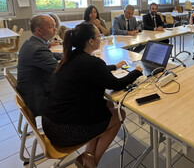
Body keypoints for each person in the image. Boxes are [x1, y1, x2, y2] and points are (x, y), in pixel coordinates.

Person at [42, 23, 143, 168]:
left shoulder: (71, 56)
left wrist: (114, 67)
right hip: (65, 131)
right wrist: (137, 72)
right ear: (90, 41)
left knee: (108, 104)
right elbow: (116, 84)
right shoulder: (93, 63)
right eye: (98, 36)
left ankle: (88, 154)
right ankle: (91, 163)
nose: (100, 38)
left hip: (51, 122)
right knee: (119, 113)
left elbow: (91, 70)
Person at [17, 15, 63, 116]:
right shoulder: (37, 49)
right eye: (51, 27)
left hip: (33, 90)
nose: (55, 29)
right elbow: (60, 70)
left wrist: (68, 55)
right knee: (79, 90)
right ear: (39, 31)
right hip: (39, 99)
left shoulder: (32, 42)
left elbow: (50, 55)